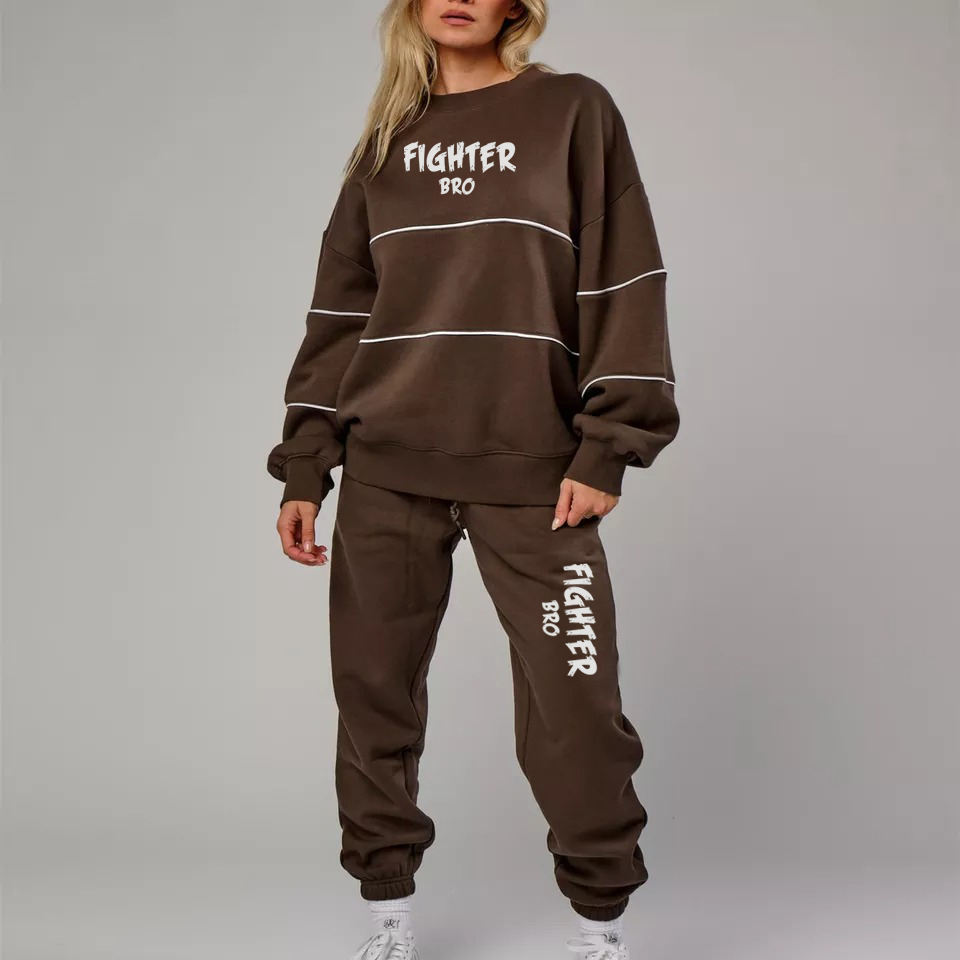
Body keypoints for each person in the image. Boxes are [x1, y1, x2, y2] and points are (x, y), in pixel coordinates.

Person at [266, 2, 679, 957]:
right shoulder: (384, 145)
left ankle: (600, 926)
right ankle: (388, 916)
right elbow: (341, 312)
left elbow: (625, 274)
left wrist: (608, 443)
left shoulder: (574, 111)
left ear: (517, 6)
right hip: (386, 468)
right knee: (374, 699)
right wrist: (305, 465)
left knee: (576, 708)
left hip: (537, 473)